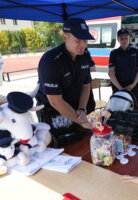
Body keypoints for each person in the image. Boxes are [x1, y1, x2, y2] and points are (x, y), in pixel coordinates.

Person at [35, 18, 94, 146]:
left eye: (85, 40)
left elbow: (86, 85)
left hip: (75, 112)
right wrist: (80, 120)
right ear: (65, 37)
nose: (82, 45)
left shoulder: (84, 56)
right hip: (53, 115)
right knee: (60, 151)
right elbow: (55, 101)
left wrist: (82, 109)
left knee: (82, 147)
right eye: (78, 40)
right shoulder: (50, 61)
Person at [108, 28, 138, 104]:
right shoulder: (114, 53)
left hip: (134, 87)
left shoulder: (135, 51)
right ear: (118, 39)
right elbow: (111, 73)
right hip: (118, 87)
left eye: (126, 38)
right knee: (118, 110)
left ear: (129, 38)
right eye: (121, 38)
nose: (124, 40)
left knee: (135, 110)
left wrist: (133, 85)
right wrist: (121, 89)